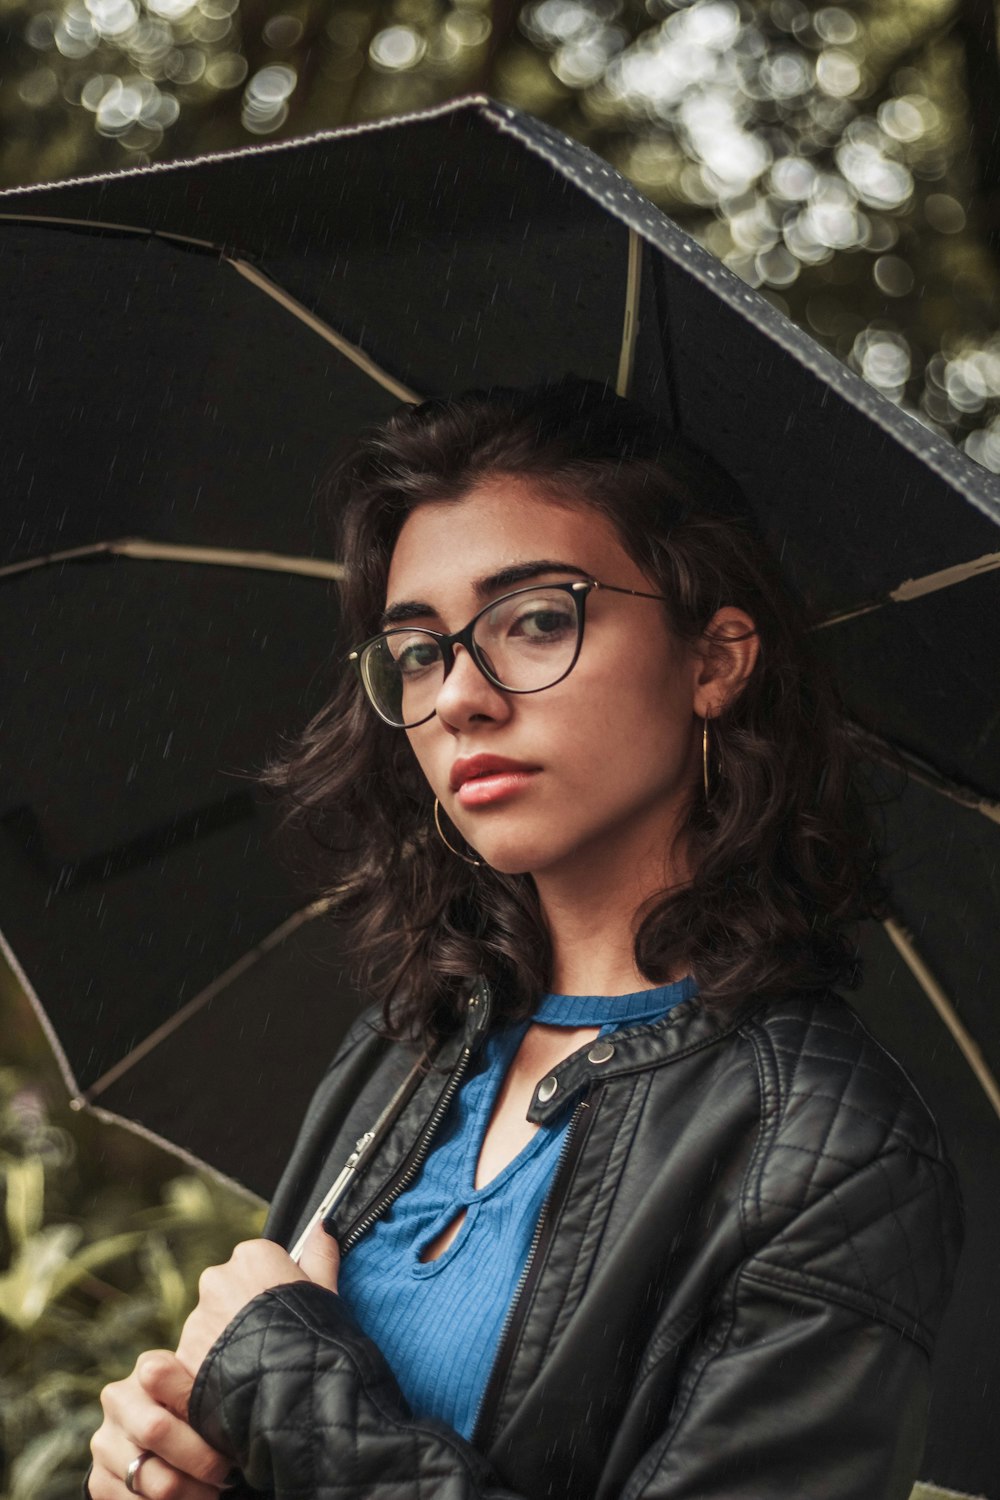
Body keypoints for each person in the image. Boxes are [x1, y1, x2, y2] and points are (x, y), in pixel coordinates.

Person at [87, 377, 963, 1500]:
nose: (458, 696)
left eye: (537, 619)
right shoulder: (409, 1048)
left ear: (713, 659)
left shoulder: (832, 1155)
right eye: (416, 649)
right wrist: (179, 1467)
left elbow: (288, 1384)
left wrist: (286, 1393)